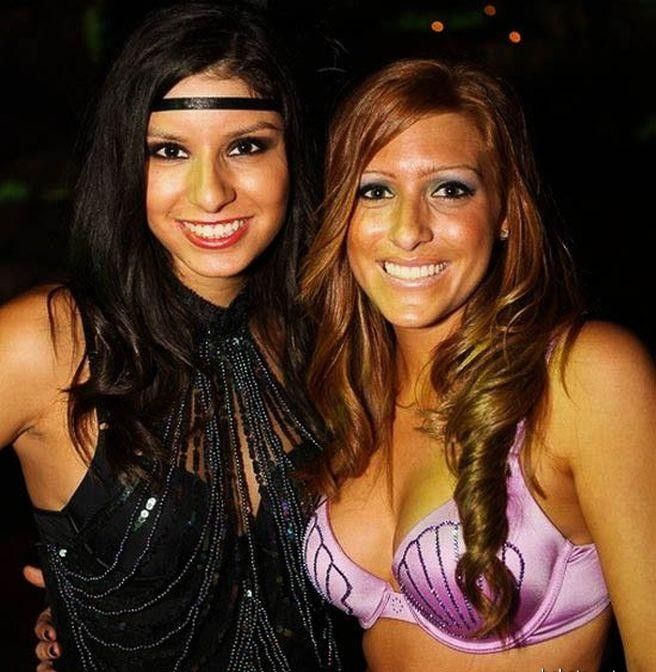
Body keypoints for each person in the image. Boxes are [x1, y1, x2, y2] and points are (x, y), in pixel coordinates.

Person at [1, 2, 345, 670]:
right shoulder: (50, 342)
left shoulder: (332, 339)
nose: (210, 193)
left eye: (246, 146)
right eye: (169, 151)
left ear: (293, 155)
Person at [301, 58, 655, 671]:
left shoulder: (583, 376)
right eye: (375, 191)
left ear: (506, 212)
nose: (408, 231)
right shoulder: (350, 392)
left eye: (449, 189)